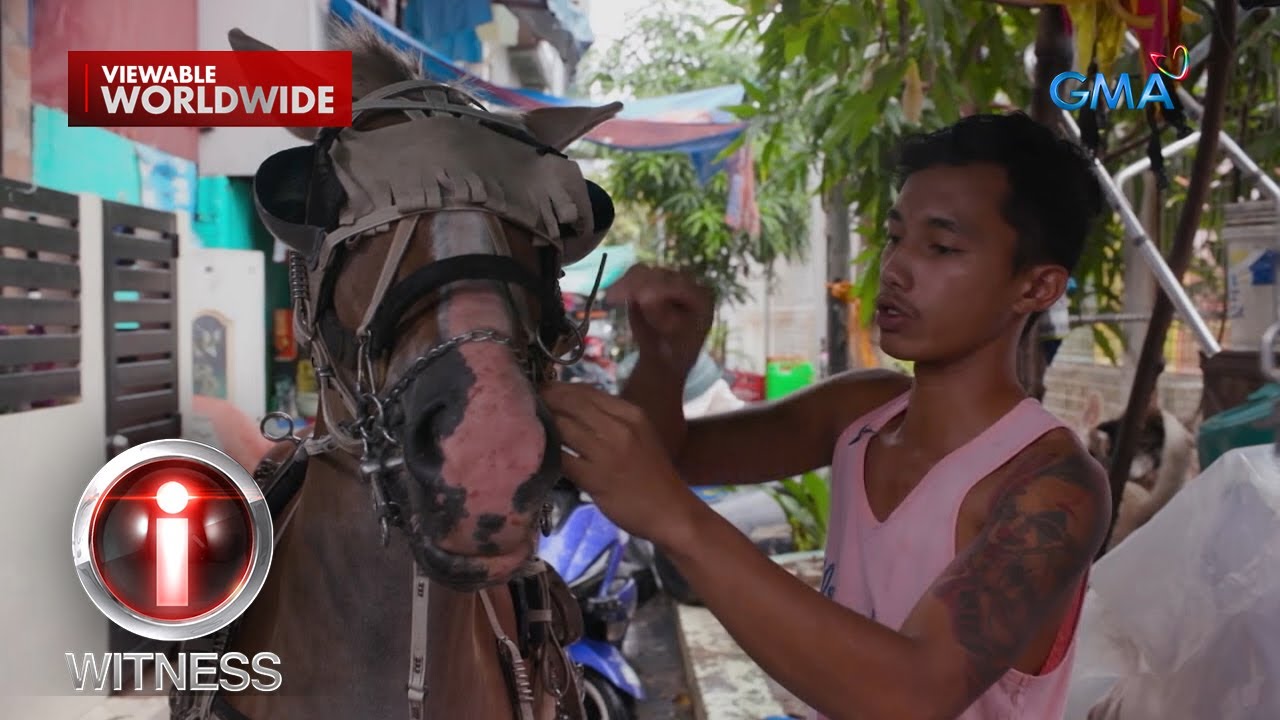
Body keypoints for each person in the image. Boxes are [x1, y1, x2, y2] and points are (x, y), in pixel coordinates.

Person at [541, 112, 1111, 720]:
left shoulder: (1051, 487)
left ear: (1037, 288)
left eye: (941, 246)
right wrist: (663, 361)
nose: (894, 269)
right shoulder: (861, 409)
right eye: (895, 237)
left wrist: (680, 523)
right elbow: (672, 457)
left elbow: (913, 696)